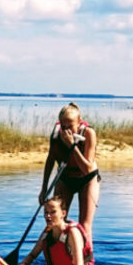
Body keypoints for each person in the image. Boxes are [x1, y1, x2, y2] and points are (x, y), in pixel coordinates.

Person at [40, 102, 100, 248]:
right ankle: (55, 260)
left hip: (87, 179)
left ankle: (86, 261)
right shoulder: (56, 134)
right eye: (63, 126)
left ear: (79, 123)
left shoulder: (88, 133)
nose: (66, 130)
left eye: (70, 126)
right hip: (65, 178)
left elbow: (87, 168)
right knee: (55, 221)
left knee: (84, 224)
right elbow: (50, 160)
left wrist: (72, 145)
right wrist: (44, 188)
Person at [15, 196, 95, 265]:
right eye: (46, 212)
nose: (48, 216)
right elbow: (33, 255)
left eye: (53, 212)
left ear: (63, 213)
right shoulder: (47, 231)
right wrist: (23, 264)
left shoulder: (72, 232)